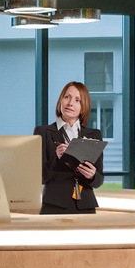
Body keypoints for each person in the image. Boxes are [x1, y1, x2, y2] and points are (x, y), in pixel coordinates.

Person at [35, 80, 104, 214]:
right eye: (67, 97)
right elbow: (40, 177)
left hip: (86, 206)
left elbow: (99, 180)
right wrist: (57, 159)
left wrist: (92, 176)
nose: (70, 103)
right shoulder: (43, 132)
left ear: (83, 106)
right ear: (60, 100)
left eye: (77, 100)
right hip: (54, 205)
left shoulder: (94, 135)